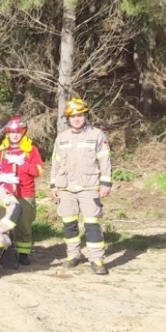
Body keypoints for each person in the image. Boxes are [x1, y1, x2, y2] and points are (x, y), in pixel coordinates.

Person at [50, 98, 112, 275]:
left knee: (92, 224)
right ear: (67, 119)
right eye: (73, 116)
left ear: (85, 115)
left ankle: (96, 259)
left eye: (80, 115)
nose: (77, 119)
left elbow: (105, 160)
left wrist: (106, 183)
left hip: (89, 185)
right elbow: (55, 163)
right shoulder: (61, 138)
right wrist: (53, 184)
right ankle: (73, 255)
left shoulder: (97, 135)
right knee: (69, 223)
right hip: (65, 187)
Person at [0, 116, 44, 265]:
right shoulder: (1, 151)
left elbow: (38, 170)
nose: (15, 135)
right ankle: (3, 252)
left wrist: (23, 163)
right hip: (5, 195)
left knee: (24, 225)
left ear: (23, 132)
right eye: (12, 132)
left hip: (25, 194)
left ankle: (23, 254)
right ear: (7, 133)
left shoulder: (31, 149)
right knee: (3, 224)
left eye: (19, 132)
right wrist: (1, 177)